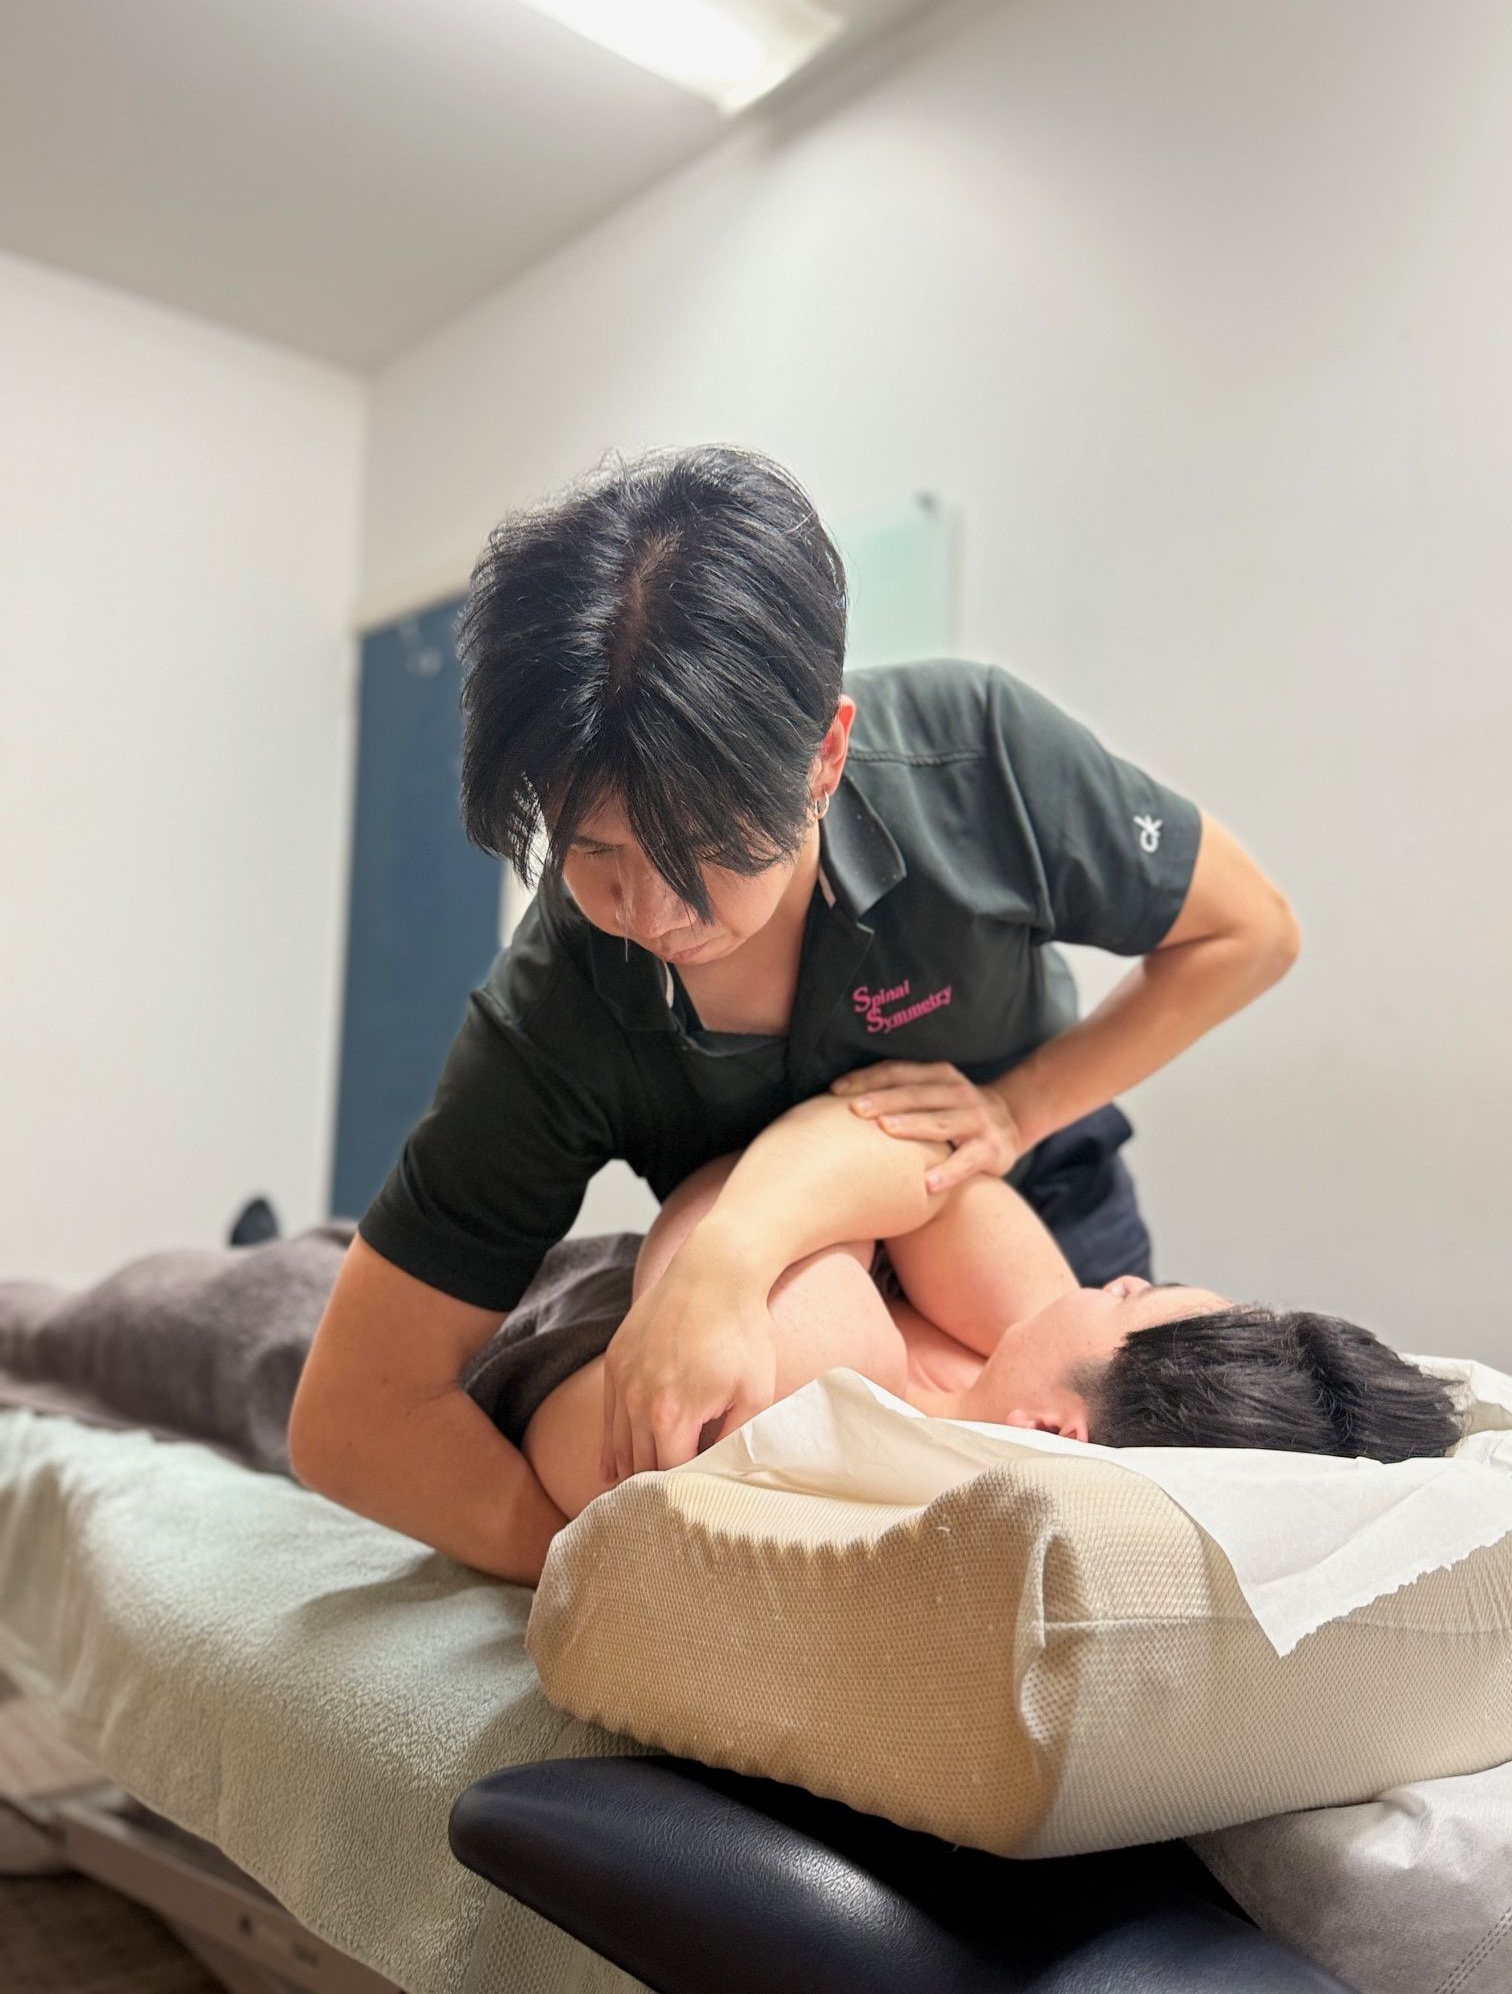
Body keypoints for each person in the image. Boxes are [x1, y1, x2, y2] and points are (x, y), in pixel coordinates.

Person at [289, 444, 1305, 1586]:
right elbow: (353, 1418)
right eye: (595, 852)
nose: (657, 912)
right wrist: (598, 1567)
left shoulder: (979, 767)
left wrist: (1017, 1111)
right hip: (751, 1302)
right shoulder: (557, 1015)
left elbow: (1249, 933)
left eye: (711, 851)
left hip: (1031, 1201)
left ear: (826, 756)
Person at [503, 1091, 1466, 1523]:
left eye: (1140, 1301)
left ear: (1059, 1430)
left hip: (532, 1312)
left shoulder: (825, 1381)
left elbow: (767, 1167)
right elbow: (895, 1129)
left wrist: (836, 1214)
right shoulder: (1010, 1339)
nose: (1123, 1279)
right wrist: (845, 1199)